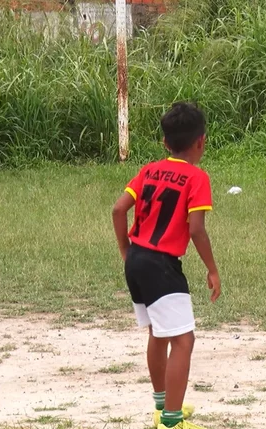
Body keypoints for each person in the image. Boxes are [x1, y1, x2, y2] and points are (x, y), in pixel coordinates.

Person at [112, 102, 221, 429]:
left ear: (164, 142)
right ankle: (172, 422)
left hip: (136, 260)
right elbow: (196, 229)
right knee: (184, 341)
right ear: (201, 142)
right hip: (161, 266)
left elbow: (119, 210)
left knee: (158, 334)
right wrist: (212, 269)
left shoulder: (149, 170)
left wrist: (125, 250)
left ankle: (162, 406)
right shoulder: (197, 177)